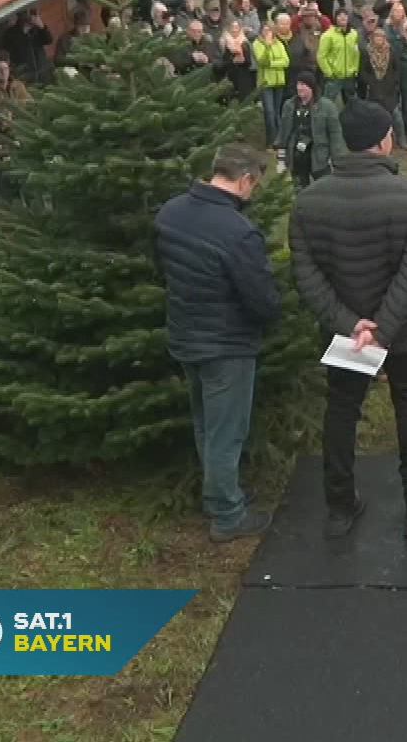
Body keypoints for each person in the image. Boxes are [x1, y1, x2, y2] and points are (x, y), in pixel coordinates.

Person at [290, 100, 407, 539]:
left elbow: (306, 273)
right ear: (384, 140)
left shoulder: (308, 200)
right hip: (405, 331)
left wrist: (352, 325)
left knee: (341, 409)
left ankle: (339, 506)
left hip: (346, 334)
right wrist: (382, 329)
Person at [154, 144, 283, 542]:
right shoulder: (239, 232)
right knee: (227, 432)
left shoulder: (170, 212)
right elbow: (261, 300)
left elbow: (162, 269)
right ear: (245, 180)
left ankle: (220, 494)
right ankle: (228, 515)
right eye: (255, 186)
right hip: (227, 347)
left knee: (207, 425)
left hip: (185, 336)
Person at [275, 74, 342, 188]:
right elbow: (284, 132)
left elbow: (335, 134)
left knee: (324, 189)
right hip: (297, 156)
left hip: (320, 156)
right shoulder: (289, 105)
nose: (299, 88)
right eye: (298, 84)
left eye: (303, 85)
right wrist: (281, 159)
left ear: (311, 87)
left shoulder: (327, 107)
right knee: (300, 189)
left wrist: (336, 159)